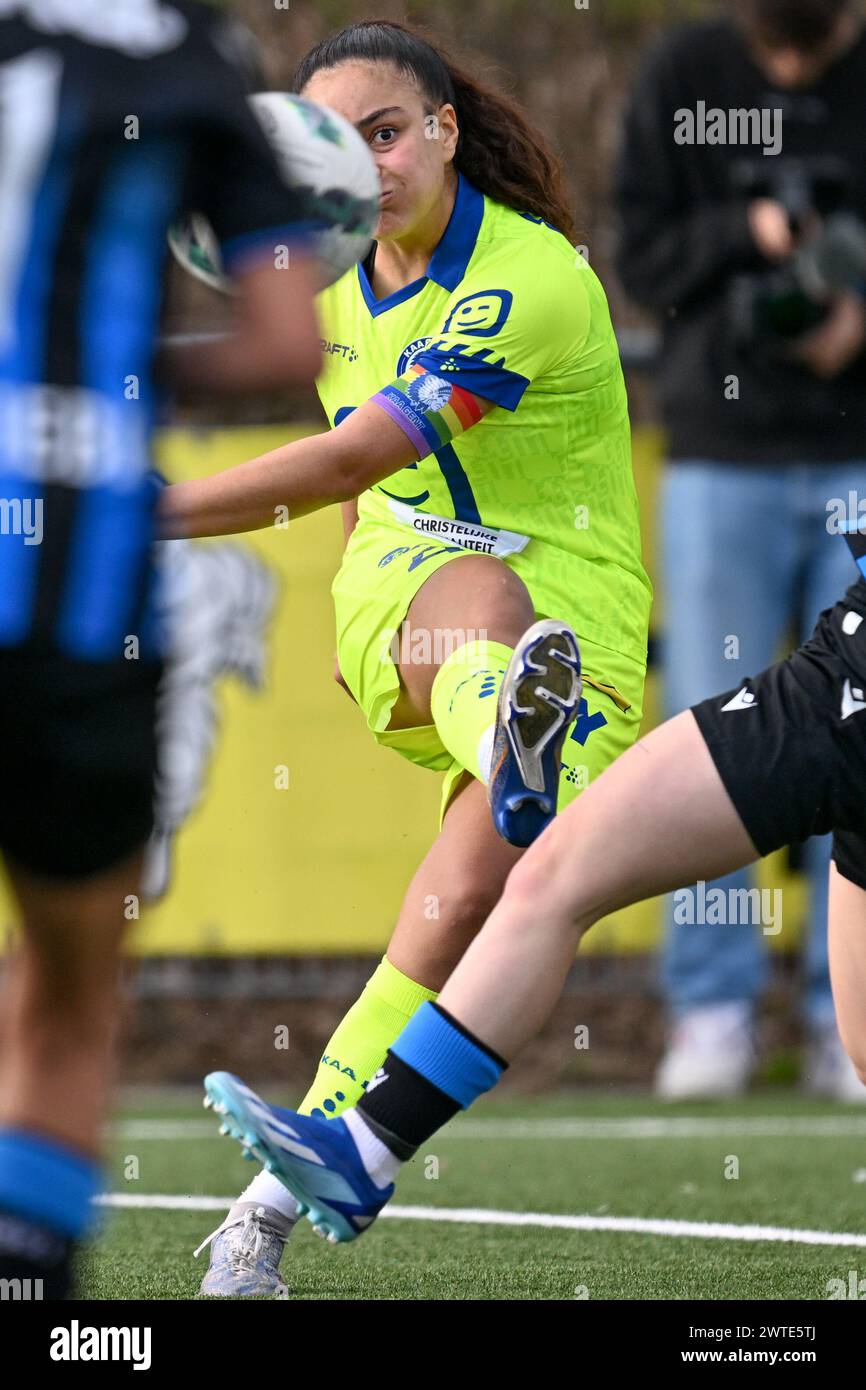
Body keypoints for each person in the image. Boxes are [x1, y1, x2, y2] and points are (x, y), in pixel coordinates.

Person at [158, 19, 651, 1296]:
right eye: (338, 141)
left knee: (445, 921)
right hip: (423, 604)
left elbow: (347, 453)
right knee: (469, 589)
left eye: (386, 132)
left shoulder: (527, 277)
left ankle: (269, 1213)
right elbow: (350, 473)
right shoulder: (328, 279)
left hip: (575, 631)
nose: (365, 164)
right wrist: (351, 599)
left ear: (442, 129)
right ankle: (506, 732)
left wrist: (134, 504)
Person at [203, 518, 866, 1243]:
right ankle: (362, 1155)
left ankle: (362, 1151)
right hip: (839, 677)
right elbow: (356, 452)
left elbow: (353, 448)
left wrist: (173, 508)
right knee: (551, 873)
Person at [0, 0, 322, 1298]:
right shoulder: (188, 56)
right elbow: (284, 341)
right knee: (70, 988)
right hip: (75, 585)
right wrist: (102, 370)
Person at [614, 0, 866, 1099]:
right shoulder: (684, 72)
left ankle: (838, 1019)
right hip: (719, 453)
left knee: (858, 738)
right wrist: (749, 238)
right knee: (710, 725)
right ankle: (710, 1010)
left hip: (855, 452)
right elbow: (639, 257)